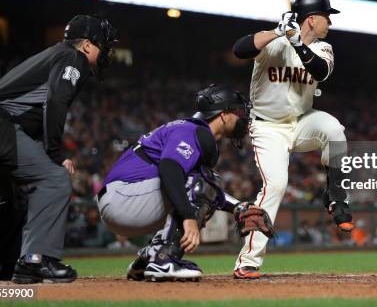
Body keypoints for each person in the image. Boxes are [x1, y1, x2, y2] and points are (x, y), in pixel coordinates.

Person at [0, 14, 118, 283]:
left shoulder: (54, 54)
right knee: (54, 179)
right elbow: (56, 100)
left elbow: (26, 113)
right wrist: (55, 154)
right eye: (102, 46)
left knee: (15, 194)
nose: (105, 52)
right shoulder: (73, 58)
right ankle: (36, 260)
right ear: (86, 45)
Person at [231, 0, 352, 280]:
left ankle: (335, 195)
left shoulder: (324, 49)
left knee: (334, 129)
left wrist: (297, 41)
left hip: (300, 122)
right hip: (267, 127)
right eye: (326, 17)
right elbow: (240, 49)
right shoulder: (274, 43)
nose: (330, 23)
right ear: (311, 19)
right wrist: (276, 31)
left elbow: (319, 71)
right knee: (276, 186)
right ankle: (248, 260)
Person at [97, 85, 273, 281]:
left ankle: (147, 259)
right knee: (204, 183)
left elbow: (199, 185)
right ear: (223, 115)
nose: (243, 117)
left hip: (126, 199)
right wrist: (188, 216)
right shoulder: (190, 130)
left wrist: (237, 207)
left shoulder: (191, 130)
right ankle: (163, 260)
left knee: (205, 182)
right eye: (239, 112)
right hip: (124, 197)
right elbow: (170, 169)